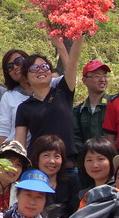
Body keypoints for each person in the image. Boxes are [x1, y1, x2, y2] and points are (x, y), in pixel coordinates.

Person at [15, 36, 84, 166]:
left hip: (68, 164)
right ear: (26, 78)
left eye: (44, 66)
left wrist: (61, 46)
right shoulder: (24, 107)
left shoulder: (63, 91)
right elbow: (20, 143)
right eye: (34, 68)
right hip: (39, 167)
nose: (41, 70)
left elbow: (73, 61)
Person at [30, 135, 80, 218]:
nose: (52, 161)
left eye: (57, 156)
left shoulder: (71, 182)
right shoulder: (29, 183)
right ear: (37, 158)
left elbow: (76, 213)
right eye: (46, 155)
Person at [72, 60, 112, 150]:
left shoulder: (114, 105)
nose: (102, 79)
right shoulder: (78, 111)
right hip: (87, 159)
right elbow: (75, 138)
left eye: (105, 75)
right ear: (84, 81)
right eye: (97, 76)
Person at [76, 136, 115, 204]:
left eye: (100, 159)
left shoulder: (118, 190)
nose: (94, 165)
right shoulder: (84, 195)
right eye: (89, 160)